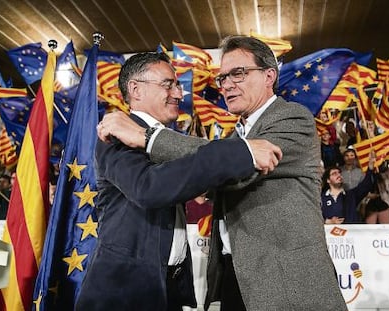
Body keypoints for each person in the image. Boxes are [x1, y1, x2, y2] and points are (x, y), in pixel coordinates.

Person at [97, 36, 347, 310]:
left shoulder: (291, 118)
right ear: (135, 89)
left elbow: (232, 167)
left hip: (288, 281)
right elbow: (187, 176)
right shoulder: (234, 138)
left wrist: (146, 136)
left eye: (238, 73)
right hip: (233, 280)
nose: (227, 84)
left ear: (269, 75)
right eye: (223, 78)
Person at [75, 52, 282, 311]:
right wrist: (242, 152)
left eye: (177, 85)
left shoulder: (165, 139)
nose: (178, 94)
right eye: (168, 84)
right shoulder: (117, 133)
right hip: (125, 293)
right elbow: (149, 189)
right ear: (135, 89)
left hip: (165, 289)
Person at [321, 152, 375, 224]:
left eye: (339, 173)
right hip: (328, 233)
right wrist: (327, 221)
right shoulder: (321, 197)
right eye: (334, 173)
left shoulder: (351, 195)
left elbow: (366, 185)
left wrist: (370, 166)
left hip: (350, 233)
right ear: (328, 180)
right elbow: (313, 216)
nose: (338, 175)